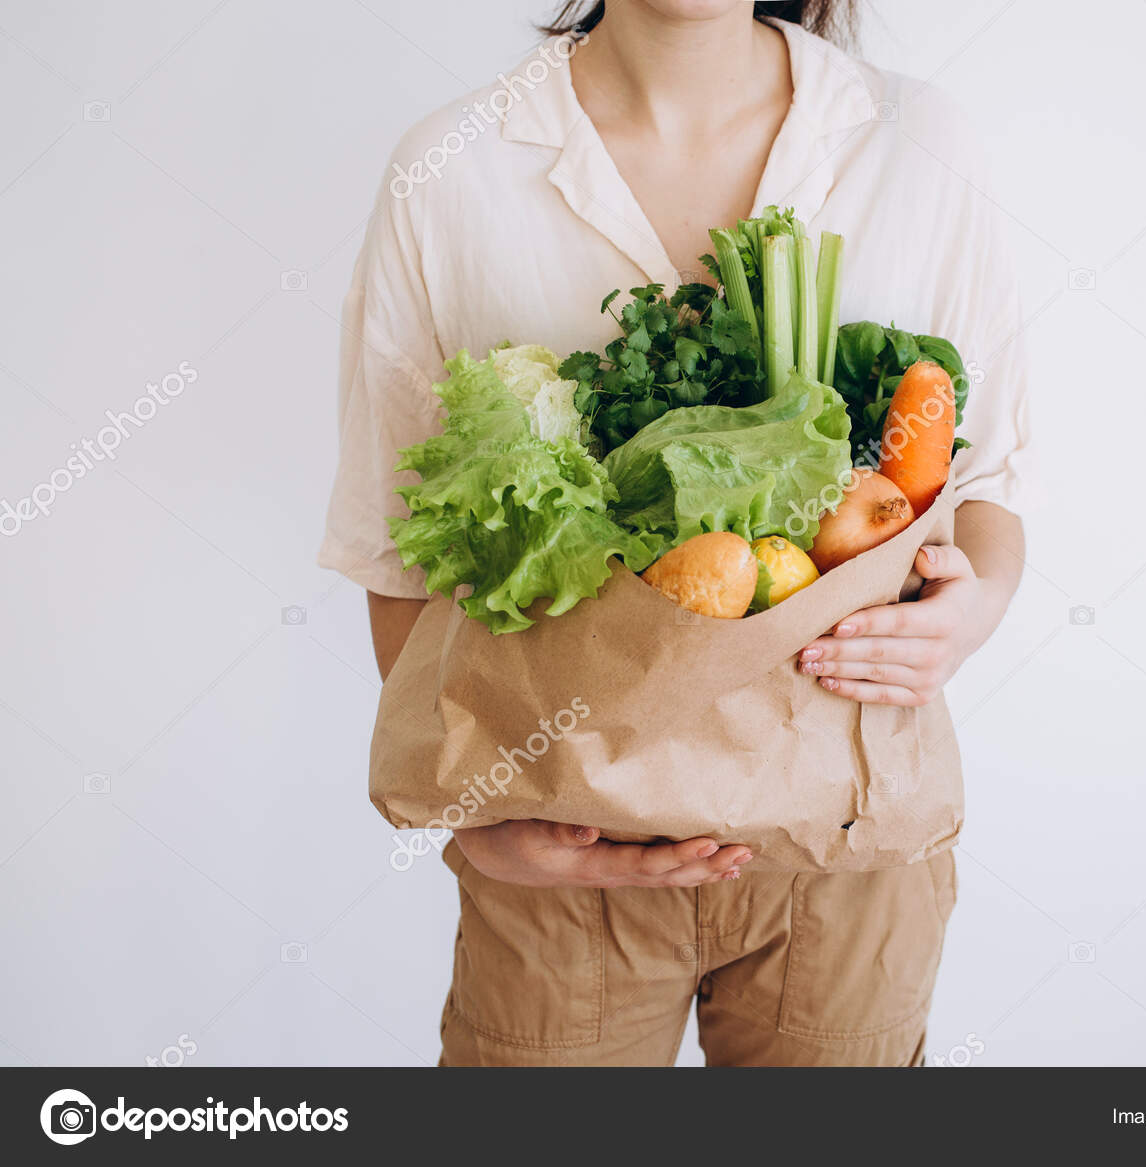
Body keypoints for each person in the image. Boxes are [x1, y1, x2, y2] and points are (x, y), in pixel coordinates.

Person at [320, 0, 1029, 1066]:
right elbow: (398, 536)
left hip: (843, 832)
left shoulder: (910, 140)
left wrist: (972, 614)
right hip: (569, 855)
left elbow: (995, 476)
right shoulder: (452, 166)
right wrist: (477, 811)